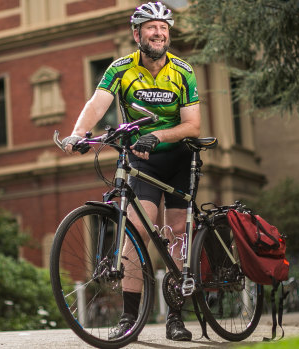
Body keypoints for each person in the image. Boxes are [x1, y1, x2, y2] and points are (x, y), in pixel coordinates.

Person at [61, 1, 200, 342]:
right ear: (137, 33)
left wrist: (159, 135)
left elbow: (193, 126)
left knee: (177, 234)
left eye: (164, 28)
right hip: (141, 157)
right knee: (135, 232)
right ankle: (129, 318)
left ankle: (176, 318)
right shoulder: (120, 68)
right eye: (152, 27)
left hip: (180, 157)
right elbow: (97, 102)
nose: (159, 33)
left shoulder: (183, 71)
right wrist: (79, 134)